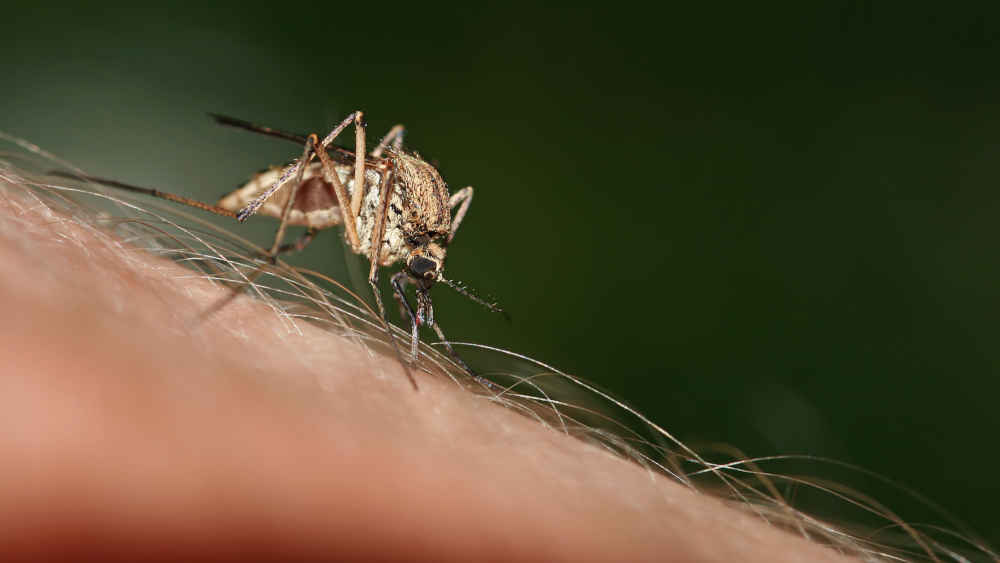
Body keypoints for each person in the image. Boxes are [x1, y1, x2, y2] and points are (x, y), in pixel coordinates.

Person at [0, 190, 855, 562]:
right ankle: (267, 248)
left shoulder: (428, 238)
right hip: (336, 182)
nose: (424, 274)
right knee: (356, 153)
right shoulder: (400, 222)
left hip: (397, 211)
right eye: (424, 269)